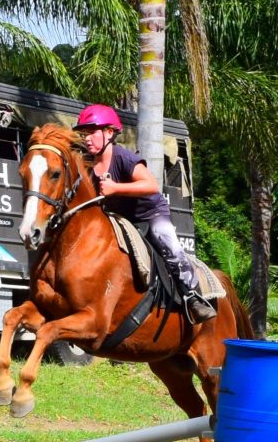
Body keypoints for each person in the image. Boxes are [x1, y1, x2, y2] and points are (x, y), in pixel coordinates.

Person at [73, 103, 212, 322]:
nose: (87, 138)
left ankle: (193, 296)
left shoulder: (124, 158)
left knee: (167, 242)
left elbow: (151, 185)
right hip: (120, 219)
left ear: (109, 132)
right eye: (84, 133)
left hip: (150, 214)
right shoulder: (87, 166)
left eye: (91, 132)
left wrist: (116, 188)